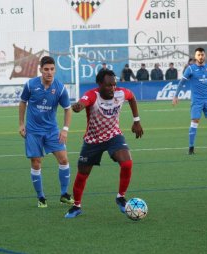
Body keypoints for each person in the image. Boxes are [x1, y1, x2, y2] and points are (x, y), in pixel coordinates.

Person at [65, 69, 144, 218]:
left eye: (114, 85)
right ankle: (76, 206)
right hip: (92, 140)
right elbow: (83, 102)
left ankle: (120, 197)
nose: (112, 88)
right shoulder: (92, 95)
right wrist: (79, 106)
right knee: (83, 173)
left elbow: (132, 97)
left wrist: (136, 121)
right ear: (99, 84)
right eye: (108, 85)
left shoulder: (121, 93)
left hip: (113, 136)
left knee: (127, 163)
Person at [18, 56, 74, 208]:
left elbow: (68, 110)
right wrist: (21, 123)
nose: (49, 72)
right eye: (46, 69)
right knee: (36, 163)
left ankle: (64, 194)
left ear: (55, 70)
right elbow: (23, 102)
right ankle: (41, 197)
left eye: (52, 69)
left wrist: (65, 130)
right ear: (40, 70)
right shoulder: (30, 85)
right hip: (33, 132)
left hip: (52, 130)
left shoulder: (60, 88)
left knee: (63, 160)